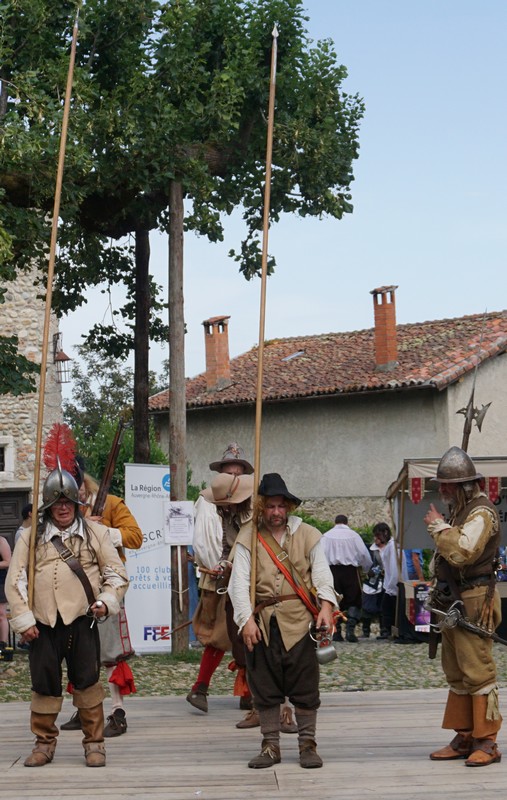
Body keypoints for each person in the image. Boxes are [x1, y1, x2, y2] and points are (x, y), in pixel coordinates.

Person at [5, 464, 129, 768]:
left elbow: (116, 574)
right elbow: (16, 579)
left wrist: (105, 600)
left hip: (82, 620)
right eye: (57, 503)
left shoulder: (96, 533)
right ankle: (44, 743)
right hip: (42, 625)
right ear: (48, 506)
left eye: (68, 502)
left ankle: (94, 744)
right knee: (44, 685)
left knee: (88, 684)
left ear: (76, 503)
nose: (63, 508)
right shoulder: (30, 537)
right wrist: (24, 620)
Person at [229, 473, 337, 769]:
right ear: (261, 507)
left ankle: (307, 745)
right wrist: (246, 620)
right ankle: (270, 747)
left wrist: (326, 607)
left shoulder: (309, 534)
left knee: (305, 686)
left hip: (301, 623)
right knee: (264, 687)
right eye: (270, 506)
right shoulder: (248, 536)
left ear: (288, 506)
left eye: (281, 506)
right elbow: (238, 583)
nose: (276, 512)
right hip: (262, 623)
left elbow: (323, 574)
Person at [423, 446, 502, 767]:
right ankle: (465, 735)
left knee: (478, 671)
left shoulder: (481, 512)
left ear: (466, 486)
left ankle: (487, 741)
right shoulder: (461, 510)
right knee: (456, 671)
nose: (441, 489)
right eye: (441, 484)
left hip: (474, 599)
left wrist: (440, 527)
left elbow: (464, 550)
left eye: (447, 485)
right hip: (453, 600)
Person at [60, 466, 143, 737]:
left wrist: (101, 529)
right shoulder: (64, 509)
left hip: (106, 586)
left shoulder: (112, 504)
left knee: (111, 652)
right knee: (78, 653)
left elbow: (134, 536)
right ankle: (86, 709)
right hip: (74, 589)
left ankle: (118, 710)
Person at [187, 443, 257, 723]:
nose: (235, 473)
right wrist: (221, 565)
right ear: (221, 471)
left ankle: (248, 692)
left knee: (249, 633)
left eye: (239, 470)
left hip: (247, 575)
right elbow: (206, 540)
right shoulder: (208, 500)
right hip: (219, 577)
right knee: (218, 634)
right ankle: (202, 688)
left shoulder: (251, 501)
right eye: (230, 469)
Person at [321, 514, 372, 642]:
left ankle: (336, 631)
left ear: (335, 522)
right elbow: (364, 555)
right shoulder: (354, 536)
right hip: (350, 571)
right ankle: (350, 630)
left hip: (332, 571)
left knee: (334, 600)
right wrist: (366, 569)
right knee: (353, 600)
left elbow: (320, 554)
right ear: (346, 522)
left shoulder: (326, 536)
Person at [370, 522, 399, 640]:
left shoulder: (392, 546)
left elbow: (393, 567)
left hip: (392, 583)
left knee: (388, 609)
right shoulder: (389, 546)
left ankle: (390, 631)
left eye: (378, 536)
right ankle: (389, 631)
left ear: (385, 533)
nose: (377, 539)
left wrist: (392, 584)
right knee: (387, 609)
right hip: (389, 583)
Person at [0, 534, 12, 653]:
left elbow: (8, 562)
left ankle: (2, 644)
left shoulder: (1, 541)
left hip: (0, 582)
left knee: (1, 614)